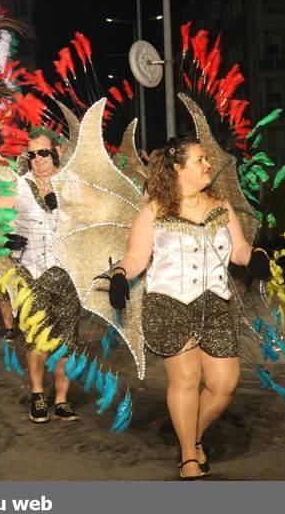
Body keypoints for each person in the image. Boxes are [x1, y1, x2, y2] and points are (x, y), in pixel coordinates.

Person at [108, 139, 271, 480]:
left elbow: (239, 249)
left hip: (216, 303)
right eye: (200, 160)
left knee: (225, 384)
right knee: (187, 379)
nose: (208, 164)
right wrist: (121, 275)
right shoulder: (153, 210)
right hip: (169, 302)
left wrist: (253, 257)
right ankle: (188, 456)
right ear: (178, 169)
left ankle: (191, 435)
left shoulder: (222, 206)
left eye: (207, 159)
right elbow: (137, 257)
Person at [0, 132, 82, 423]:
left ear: (57, 152)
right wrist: (2, 235)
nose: (37, 160)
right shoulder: (19, 186)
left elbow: (88, 218)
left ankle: (62, 399)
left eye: (43, 153)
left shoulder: (72, 186)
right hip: (31, 273)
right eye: (32, 155)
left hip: (66, 274)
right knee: (36, 337)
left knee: (67, 339)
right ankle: (38, 394)